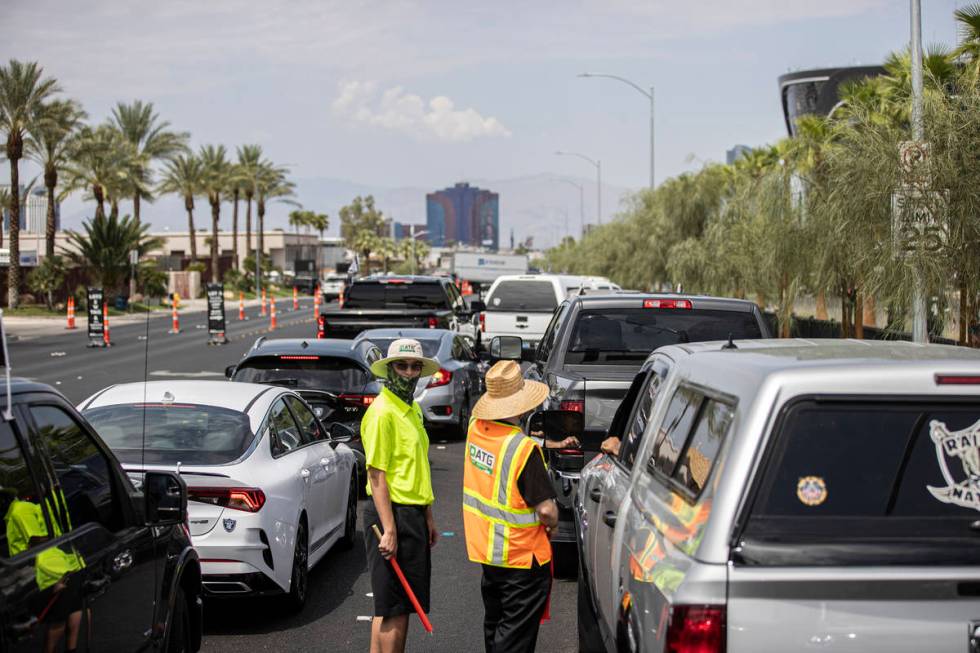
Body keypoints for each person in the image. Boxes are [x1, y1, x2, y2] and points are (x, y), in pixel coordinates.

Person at [463, 360, 558, 653]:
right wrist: (553, 524)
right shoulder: (522, 449)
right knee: (514, 640)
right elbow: (547, 511)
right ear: (521, 403)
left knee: (496, 628)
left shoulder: (476, 429)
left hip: (489, 554)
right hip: (521, 558)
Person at [361, 338, 439, 653]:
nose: (408, 372)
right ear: (390, 369)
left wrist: (428, 516)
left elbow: (417, 466)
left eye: (414, 366)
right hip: (391, 514)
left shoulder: (412, 408)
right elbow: (376, 475)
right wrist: (390, 529)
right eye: (402, 366)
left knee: (391, 605)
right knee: (395, 606)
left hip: (413, 513)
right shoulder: (382, 412)